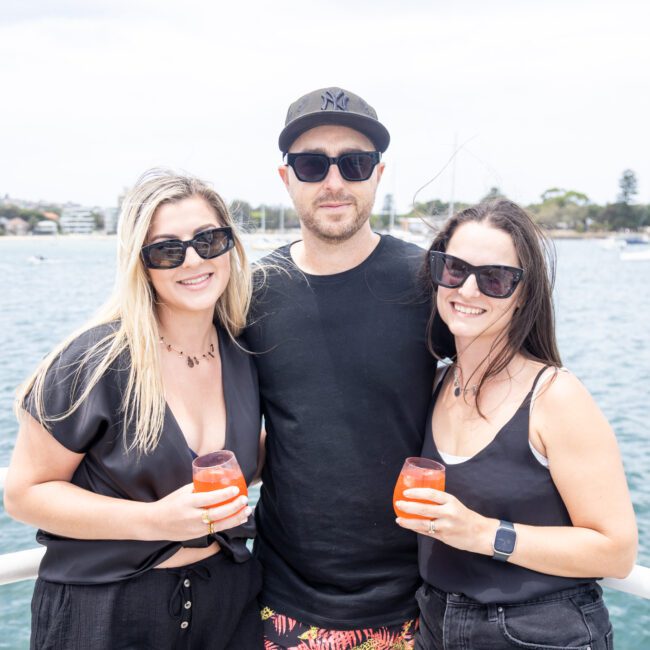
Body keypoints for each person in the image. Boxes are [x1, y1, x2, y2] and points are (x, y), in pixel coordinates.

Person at [4, 170, 263, 650]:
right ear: (140, 264)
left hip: (227, 603)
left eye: (209, 239)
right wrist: (156, 521)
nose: (193, 260)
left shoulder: (244, 352)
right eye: (167, 249)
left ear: (231, 246)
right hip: (105, 612)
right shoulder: (93, 362)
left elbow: (255, 451)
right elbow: (24, 494)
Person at [244, 87, 452, 648]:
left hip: (416, 595)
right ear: (287, 178)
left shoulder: (431, 283)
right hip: (280, 598)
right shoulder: (252, 292)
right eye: (313, 164)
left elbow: (500, 392)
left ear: (377, 175)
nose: (334, 182)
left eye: (354, 163)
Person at [396, 199, 638, 649]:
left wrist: (484, 533)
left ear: (523, 293)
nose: (468, 290)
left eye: (494, 278)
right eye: (453, 268)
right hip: (435, 622)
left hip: (538, 632)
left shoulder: (555, 396)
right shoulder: (434, 385)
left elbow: (618, 552)